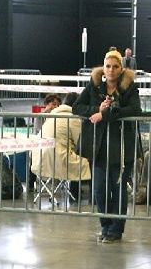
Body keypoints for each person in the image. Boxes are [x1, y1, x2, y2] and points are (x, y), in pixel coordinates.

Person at [73, 49, 141, 243]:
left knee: (118, 189)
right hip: (98, 148)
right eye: (108, 66)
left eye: (115, 66)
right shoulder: (93, 86)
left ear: (121, 69)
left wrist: (106, 114)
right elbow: (77, 107)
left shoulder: (130, 88)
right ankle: (105, 226)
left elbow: (135, 109)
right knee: (100, 190)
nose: (111, 70)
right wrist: (97, 109)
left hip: (122, 149)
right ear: (103, 68)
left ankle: (116, 229)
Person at [31, 92, 91, 199]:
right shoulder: (72, 118)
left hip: (39, 158)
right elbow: (81, 142)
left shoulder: (52, 116)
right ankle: (84, 195)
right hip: (57, 158)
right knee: (89, 161)